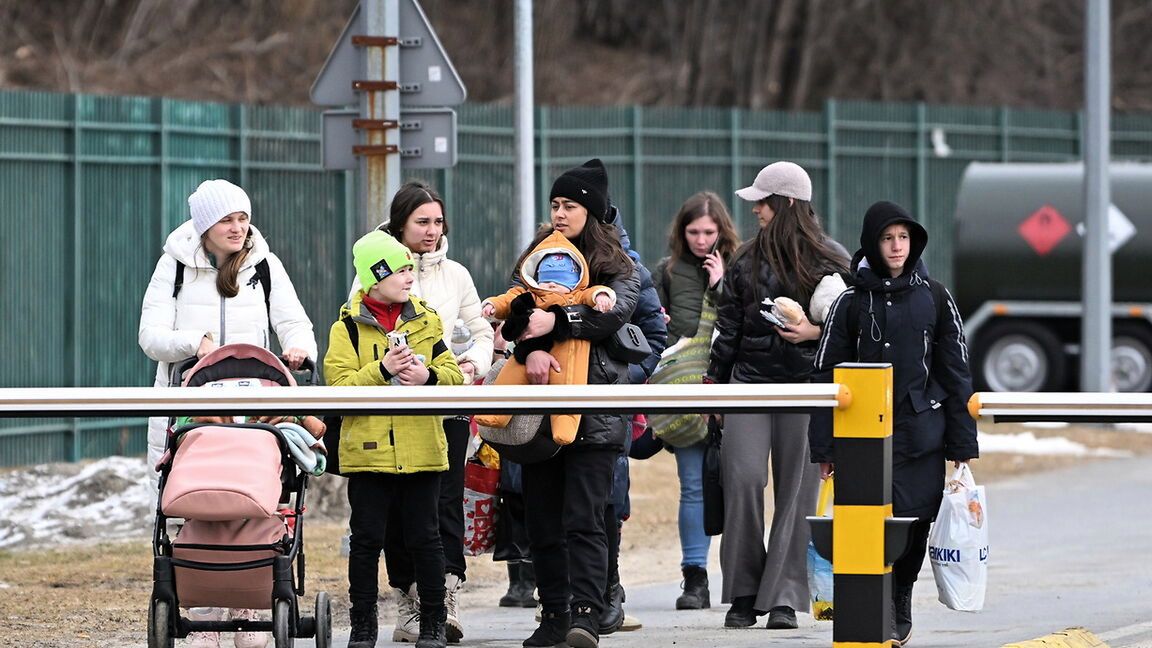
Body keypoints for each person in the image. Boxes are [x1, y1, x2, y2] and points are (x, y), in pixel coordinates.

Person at [138, 178, 317, 648]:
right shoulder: (174, 267)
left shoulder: (265, 266)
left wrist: (299, 347)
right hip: (190, 407)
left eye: (243, 218)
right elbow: (150, 334)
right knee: (194, 500)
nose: (239, 228)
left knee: (251, 496)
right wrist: (193, 343)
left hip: (253, 407)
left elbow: (293, 319)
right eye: (227, 220)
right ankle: (204, 607)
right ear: (205, 226)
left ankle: (246, 597)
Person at [810, 200, 979, 646]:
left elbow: (956, 372)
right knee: (865, 523)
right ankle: (877, 602)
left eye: (903, 237)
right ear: (873, 243)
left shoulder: (936, 296)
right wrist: (823, 447)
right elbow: (825, 375)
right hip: (860, 439)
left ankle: (900, 595)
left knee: (915, 521)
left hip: (922, 432)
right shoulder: (849, 301)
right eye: (888, 238)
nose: (897, 246)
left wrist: (962, 445)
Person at [499, 158, 640, 648]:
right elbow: (515, 312)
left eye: (571, 205)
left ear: (592, 211)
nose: (560, 214)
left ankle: (586, 614)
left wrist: (557, 324)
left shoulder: (618, 263)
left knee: (585, 517)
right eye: (555, 204)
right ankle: (553, 612)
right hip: (539, 411)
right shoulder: (536, 256)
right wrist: (530, 346)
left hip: (596, 412)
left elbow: (615, 313)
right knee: (542, 519)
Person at [705, 161, 849, 631]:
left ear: (786, 204)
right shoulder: (745, 260)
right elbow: (727, 330)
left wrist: (812, 330)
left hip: (808, 389)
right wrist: (715, 392)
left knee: (798, 494)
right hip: (747, 385)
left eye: (763, 203)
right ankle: (744, 590)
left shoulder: (832, 260)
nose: (757, 211)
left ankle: (785, 596)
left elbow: (849, 329)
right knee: (742, 481)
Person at [353, 181, 494, 644]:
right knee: (396, 508)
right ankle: (408, 598)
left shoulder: (456, 274)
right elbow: (359, 325)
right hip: (392, 411)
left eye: (438, 221)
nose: (432, 231)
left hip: (446, 403)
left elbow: (478, 328)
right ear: (400, 225)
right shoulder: (372, 268)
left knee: (445, 500)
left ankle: (443, 594)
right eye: (422, 222)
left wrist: (473, 363)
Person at [324, 230, 465, 648]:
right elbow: (339, 387)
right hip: (368, 455)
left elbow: (454, 376)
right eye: (400, 269)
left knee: (426, 537)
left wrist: (428, 377)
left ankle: (433, 625)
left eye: (409, 269)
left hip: (422, 449)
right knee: (366, 541)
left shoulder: (427, 319)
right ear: (374, 277)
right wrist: (382, 370)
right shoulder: (345, 329)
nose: (409, 276)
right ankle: (363, 625)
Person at [652, 191, 740, 610]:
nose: (702, 240)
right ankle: (695, 578)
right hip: (686, 395)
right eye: (693, 232)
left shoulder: (741, 267)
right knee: (692, 487)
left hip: (732, 389)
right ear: (681, 232)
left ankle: (743, 579)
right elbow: (651, 331)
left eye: (709, 231)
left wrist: (722, 283)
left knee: (744, 487)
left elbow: (745, 321)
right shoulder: (667, 271)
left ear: (722, 231)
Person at [477, 238, 616, 444]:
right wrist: (493, 306)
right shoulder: (529, 294)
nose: (551, 285)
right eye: (546, 279)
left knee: (568, 386)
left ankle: (564, 426)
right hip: (527, 351)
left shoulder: (577, 295)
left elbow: (592, 293)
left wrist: (602, 295)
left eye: (560, 280)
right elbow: (506, 299)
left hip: (566, 349)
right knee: (509, 376)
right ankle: (495, 413)